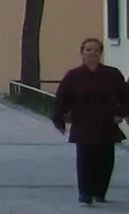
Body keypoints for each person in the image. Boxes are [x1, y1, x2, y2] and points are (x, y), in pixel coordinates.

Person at [51, 38, 129, 204]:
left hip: (107, 123)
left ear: (101, 53)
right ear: (82, 53)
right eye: (88, 50)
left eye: (96, 50)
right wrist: (59, 118)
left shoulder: (112, 74)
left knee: (105, 160)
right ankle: (85, 192)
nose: (92, 53)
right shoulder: (73, 76)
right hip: (83, 122)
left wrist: (120, 114)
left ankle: (100, 192)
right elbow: (62, 98)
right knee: (85, 159)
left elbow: (125, 97)